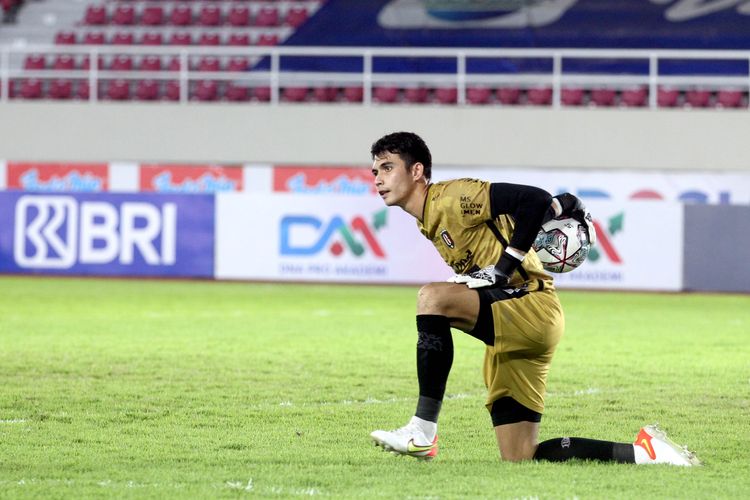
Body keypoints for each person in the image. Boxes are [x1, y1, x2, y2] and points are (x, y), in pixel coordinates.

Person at [368, 131, 700, 465]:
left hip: (530, 308)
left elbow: (535, 200)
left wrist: (504, 266)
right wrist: (565, 204)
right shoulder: (427, 220)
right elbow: (541, 209)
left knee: (432, 299)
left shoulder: (453, 197)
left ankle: (422, 431)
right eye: (375, 172)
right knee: (520, 455)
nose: (379, 179)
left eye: (387, 167)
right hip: (521, 323)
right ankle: (647, 454)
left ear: (416, 171)